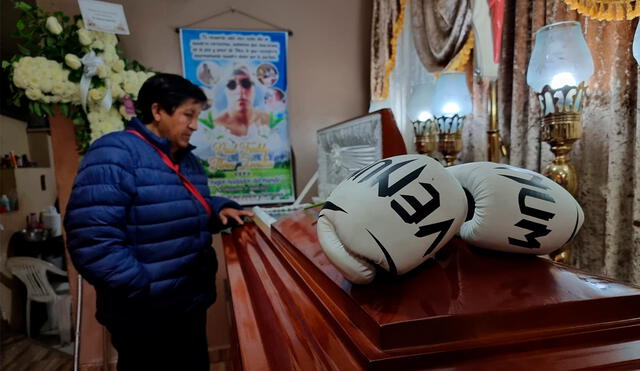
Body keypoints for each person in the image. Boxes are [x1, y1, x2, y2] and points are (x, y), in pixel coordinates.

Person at [64, 73, 253, 371]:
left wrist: (220, 208)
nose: (194, 125)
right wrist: (142, 288)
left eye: (197, 116)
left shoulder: (186, 159)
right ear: (157, 111)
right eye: (187, 115)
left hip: (187, 303)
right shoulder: (115, 151)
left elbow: (178, 204)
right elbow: (91, 239)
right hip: (146, 311)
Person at [215, 66, 269, 136]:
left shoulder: (269, 121)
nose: (240, 91)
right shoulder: (215, 126)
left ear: (254, 89)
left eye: (246, 84)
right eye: (232, 85)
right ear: (225, 91)